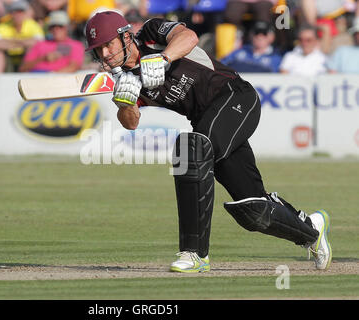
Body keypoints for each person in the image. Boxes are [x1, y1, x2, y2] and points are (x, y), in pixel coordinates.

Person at [84, 10, 332, 272]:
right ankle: (312, 230)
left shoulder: (149, 33)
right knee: (253, 211)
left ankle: (194, 254)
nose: (104, 55)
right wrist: (124, 102)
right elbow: (131, 122)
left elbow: (188, 36)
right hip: (207, 121)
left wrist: (162, 57)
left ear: (125, 37)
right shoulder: (125, 78)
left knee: (190, 151)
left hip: (234, 97)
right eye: (98, 50)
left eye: (108, 45)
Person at [19, 11, 85, 72]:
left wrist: (52, 76)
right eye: (53, 26)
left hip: (58, 79)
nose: (56, 29)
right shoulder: (40, 44)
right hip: (36, 76)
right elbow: (23, 68)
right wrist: (43, 58)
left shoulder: (76, 45)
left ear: (67, 28)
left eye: (60, 26)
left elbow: (74, 66)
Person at [0, 0, 44, 73]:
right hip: (8, 55)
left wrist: (9, 42)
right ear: (10, 14)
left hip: (23, 54)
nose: (18, 15)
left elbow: (39, 43)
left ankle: (26, 79)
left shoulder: (33, 25)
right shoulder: (3, 26)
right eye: (15, 12)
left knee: (31, 50)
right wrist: (23, 42)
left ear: (25, 13)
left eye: (21, 12)